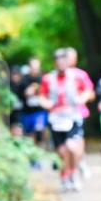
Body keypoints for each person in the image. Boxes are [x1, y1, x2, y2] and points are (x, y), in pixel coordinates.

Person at [40, 49, 94, 191]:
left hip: (73, 116)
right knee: (62, 152)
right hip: (56, 119)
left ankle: (74, 172)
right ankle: (65, 176)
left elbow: (89, 91)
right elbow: (42, 96)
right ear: (55, 63)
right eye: (59, 62)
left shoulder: (77, 76)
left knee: (73, 147)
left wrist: (81, 99)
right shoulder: (48, 78)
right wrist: (46, 104)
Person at [65, 47, 95, 180]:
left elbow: (91, 93)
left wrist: (83, 97)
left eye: (73, 56)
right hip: (61, 116)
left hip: (78, 113)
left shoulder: (81, 75)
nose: (71, 59)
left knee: (77, 143)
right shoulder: (55, 76)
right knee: (66, 146)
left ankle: (79, 164)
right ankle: (70, 171)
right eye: (69, 56)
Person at [19, 57, 48, 167]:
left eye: (36, 66)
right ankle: (32, 159)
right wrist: (26, 92)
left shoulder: (44, 78)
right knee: (30, 136)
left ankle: (40, 157)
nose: (35, 69)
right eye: (32, 66)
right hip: (27, 112)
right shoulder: (24, 80)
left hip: (40, 112)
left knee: (39, 130)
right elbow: (19, 94)